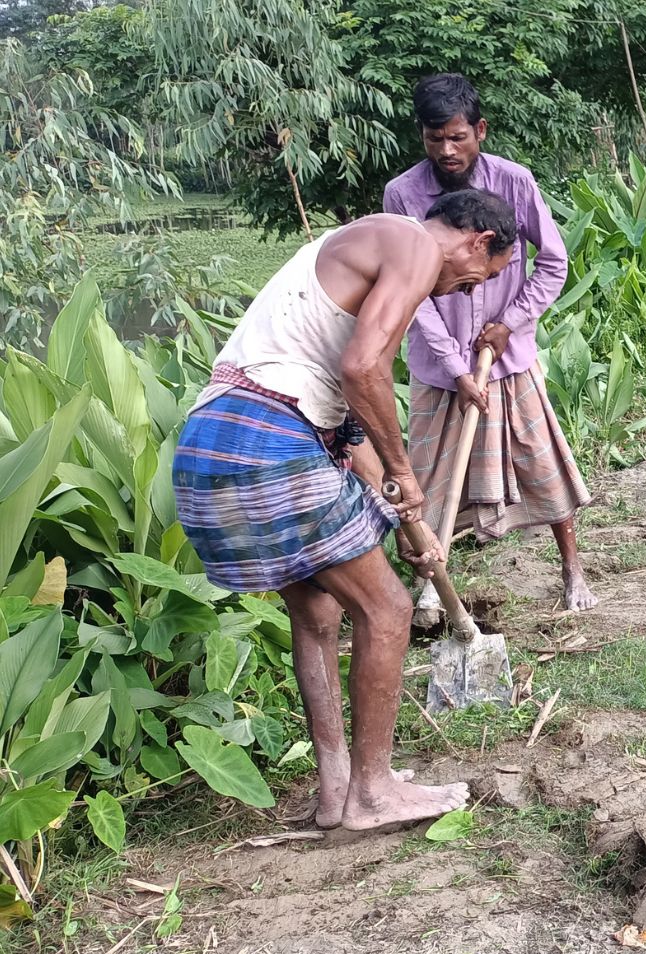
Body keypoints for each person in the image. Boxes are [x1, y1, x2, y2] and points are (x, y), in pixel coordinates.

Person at [172, 190, 518, 830]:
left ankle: (338, 787)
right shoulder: (413, 242)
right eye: (483, 276)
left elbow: (344, 430)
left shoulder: (342, 263)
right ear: (478, 240)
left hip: (214, 446)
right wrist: (407, 471)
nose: (469, 292)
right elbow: (364, 372)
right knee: (385, 609)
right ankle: (374, 791)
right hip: (271, 441)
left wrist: (399, 512)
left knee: (319, 612)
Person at [383, 74, 597, 613]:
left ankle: (572, 569)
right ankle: (432, 587)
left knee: (541, 461)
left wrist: (511, 322)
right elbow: (412, 292)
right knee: (427, 478)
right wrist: (456, 366)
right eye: (435, 139)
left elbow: (553, 261)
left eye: (458, 137)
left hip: (508, 358)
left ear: (479, 129)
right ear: (423, 136)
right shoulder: (403, 194)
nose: (447, 150)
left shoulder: (515, 181)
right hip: (439, 366)